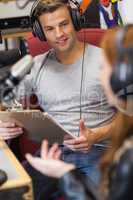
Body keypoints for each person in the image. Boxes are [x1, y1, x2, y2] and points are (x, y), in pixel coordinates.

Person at [0, 0, 116, 198]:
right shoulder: (36, 65)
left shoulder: (106, 60)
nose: (59, 34)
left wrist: (96, 135)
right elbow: (6, 99)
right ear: (40, 32)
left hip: (100, 150)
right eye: (50, 28)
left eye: (64, 24)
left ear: (76, 22)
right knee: (12, 192)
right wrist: (2, 123)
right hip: (53, 152)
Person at [26, 25, 133, 200]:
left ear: (123, 75)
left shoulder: (129, 159)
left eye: (104, 67)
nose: (100, 76)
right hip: (58, 151)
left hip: (95, 152)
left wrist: (66, 175)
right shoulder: (127, 122)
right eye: (50, 28)